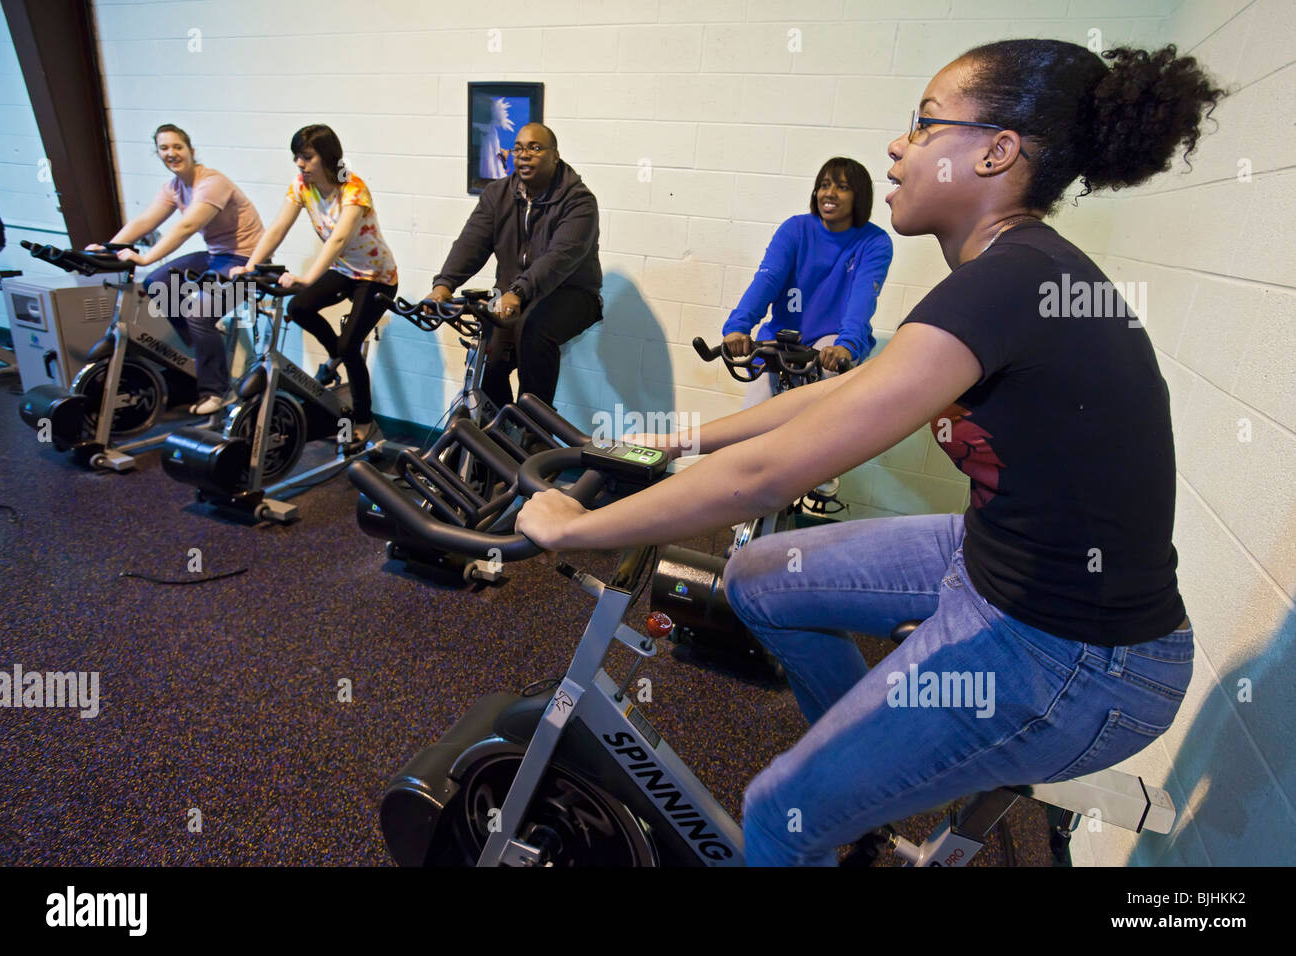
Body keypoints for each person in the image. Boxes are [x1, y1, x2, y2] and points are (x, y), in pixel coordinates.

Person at [514, 39, 1223, 866]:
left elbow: (769, 476)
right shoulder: (1010, 274)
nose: (897, 145)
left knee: (779, 813)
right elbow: (841, 396)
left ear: (997, 152)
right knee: (757, 578)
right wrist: (683, 436)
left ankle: (832, 808)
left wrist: (579, 528)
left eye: (923, 125)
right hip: (1000, 564)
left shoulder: (1014, 282)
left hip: (1078, 656)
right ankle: (864, 794)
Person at [233, 124, 398, 446]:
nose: (300, 164)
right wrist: (250, 266)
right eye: (297, 157)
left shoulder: (353, 188)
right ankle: (336, 353)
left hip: (377, 275)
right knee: (299, 307)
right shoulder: (301, 187)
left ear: (326, 157)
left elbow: (338, 238)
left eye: (307, 157)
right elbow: (278, 228)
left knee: (352, 347)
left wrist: (308, 278)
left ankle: (364, 420)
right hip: (344, 271)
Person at [93, 124, 264, 414]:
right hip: (216, 256)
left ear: (191, 151)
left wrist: (145, 259)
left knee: (198, 314)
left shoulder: (212, 183)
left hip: (247, 262)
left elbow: (188, 226)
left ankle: (218, 392)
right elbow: (145, 221)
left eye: (177, 147)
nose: (171, 153)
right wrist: (108, 247)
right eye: (164, 148)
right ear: (158, 153)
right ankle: (208, 334)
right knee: (157, 283)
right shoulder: (173, 188)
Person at [429, 122, 602, 411]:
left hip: (571, 293)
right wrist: (444, 285)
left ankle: (535, 428)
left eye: (535, 148)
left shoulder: (579, 201)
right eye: (518, 148)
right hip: (512, 291)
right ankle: (499, 429)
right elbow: (472, 242)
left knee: (534, 331)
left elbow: (560, 257)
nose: (524, 155)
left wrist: (519, 292)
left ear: (554, 156)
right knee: (489, 350)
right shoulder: (497, 195)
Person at [723, 157, 893, 409]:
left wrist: (846, 346)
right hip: (784, 340)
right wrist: (738, 326)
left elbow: (862, 299)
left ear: (860, 196)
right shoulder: (795, 229)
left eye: (842, 187)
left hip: (831, 341)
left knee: (815, 407)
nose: (830, 193)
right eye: (824, 185)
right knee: (753, 417)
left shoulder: (875, 242)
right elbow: (767, 279)